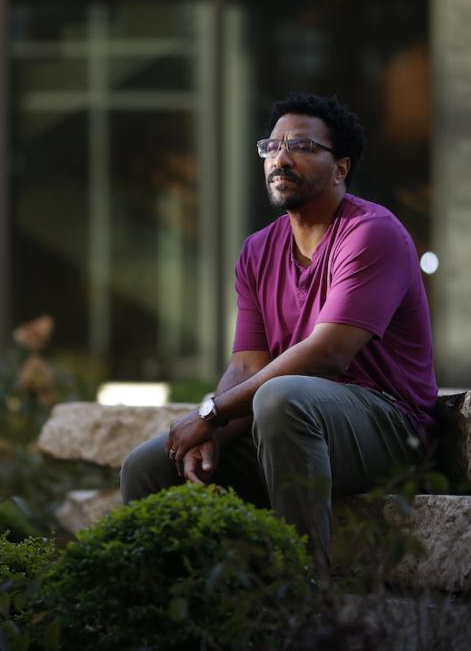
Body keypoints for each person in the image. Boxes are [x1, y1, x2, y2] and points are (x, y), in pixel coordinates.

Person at [119, 92, 438, 573]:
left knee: (282, 398)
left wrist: (211, 414)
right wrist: (215, 436)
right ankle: (170, 616)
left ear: (340, 168)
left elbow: (329, 354)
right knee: (146, 467)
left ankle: (302, 601)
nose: (281, 158)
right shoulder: (256, 251)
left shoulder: (372, 233)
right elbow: (248, 363)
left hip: (389, 426)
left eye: (303, 147)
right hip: (290, 423)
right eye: (272, 146)